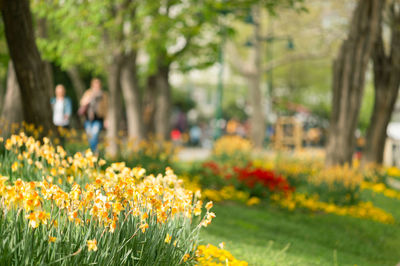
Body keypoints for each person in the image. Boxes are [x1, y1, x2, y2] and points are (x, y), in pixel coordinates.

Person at [79, 78, 108, 152]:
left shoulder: (103, 95)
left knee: (94, 135)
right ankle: (94, 151)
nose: (96, 86)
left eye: (98, 85)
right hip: (88, 119)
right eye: (95, 85)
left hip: (98, 119)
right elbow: (82, 103)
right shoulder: (88, 93)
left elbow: (106, 108)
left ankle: (93, 151)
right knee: (90, 137)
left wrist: (106, 120)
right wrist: (90, 97)